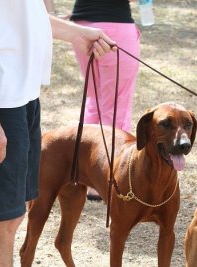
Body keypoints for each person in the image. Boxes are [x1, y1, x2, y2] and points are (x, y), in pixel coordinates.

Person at [0, 1, 116, 266]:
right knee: (1, 220)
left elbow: (21, 16)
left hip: (24, 98)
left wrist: (76, 34)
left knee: (10, 216)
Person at [70, 0, 141, 200]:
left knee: (96, 101)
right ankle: (103, 176)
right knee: (116, 106)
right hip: (114, 25)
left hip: (81, 24)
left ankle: (82, 172)